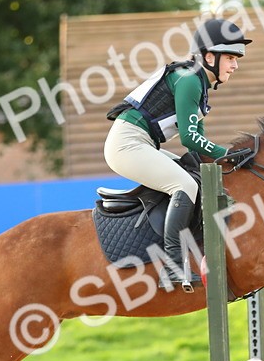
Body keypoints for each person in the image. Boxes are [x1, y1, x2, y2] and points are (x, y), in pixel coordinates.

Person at [104, 18, 251, 291]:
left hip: (142, 143)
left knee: (196, 177)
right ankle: (171, 267)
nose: (235, 65)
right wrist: (231, 154)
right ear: (209, 57)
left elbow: (198, 144)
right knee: (184, 184)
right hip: (127, 145)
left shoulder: (197, 83)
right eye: (230, 57)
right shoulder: (189, 81)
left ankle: (207, 256)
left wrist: (226, 159)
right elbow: (189, 139)